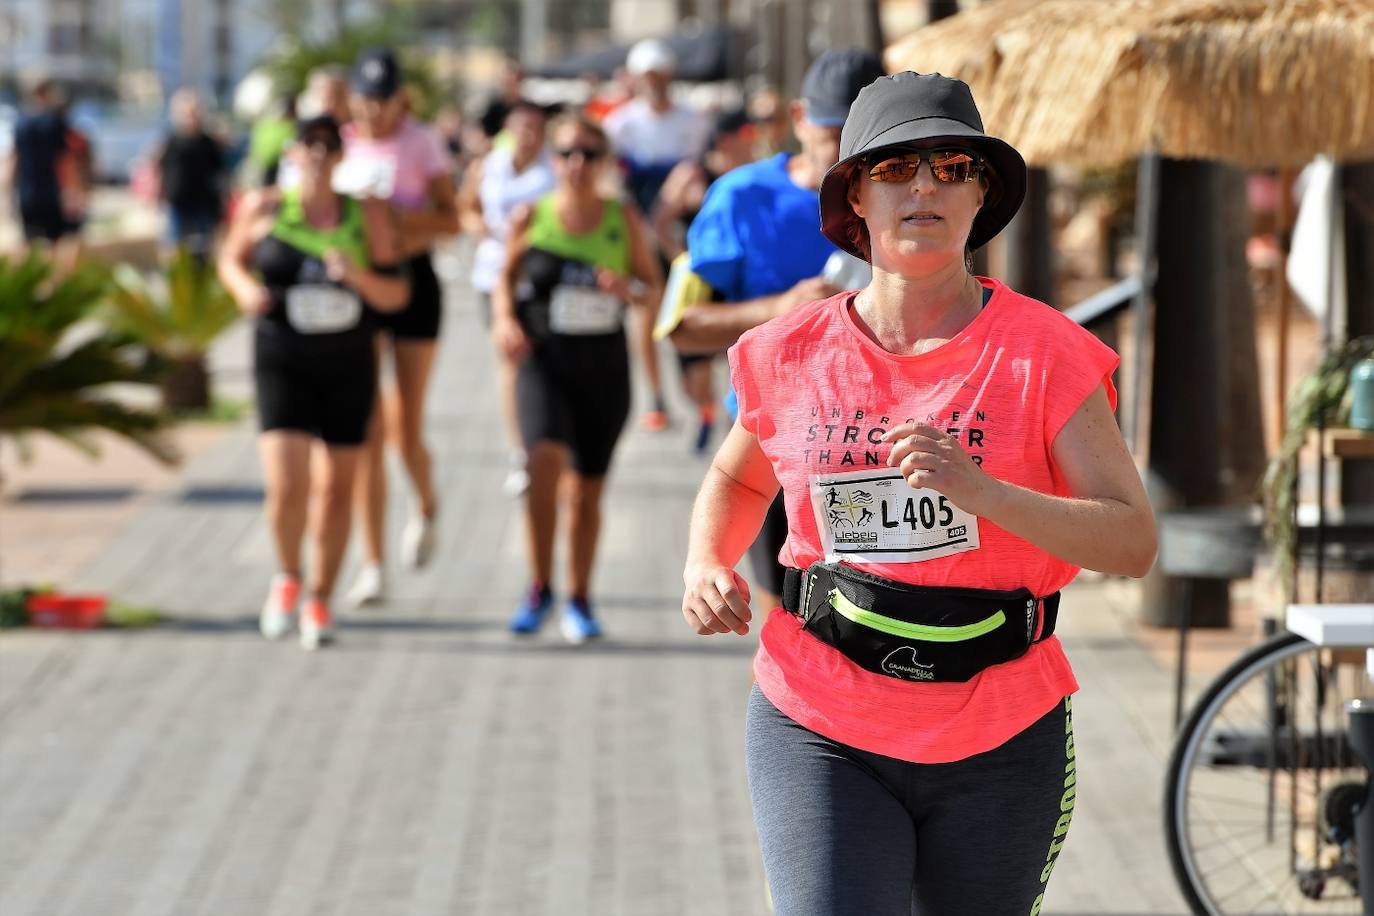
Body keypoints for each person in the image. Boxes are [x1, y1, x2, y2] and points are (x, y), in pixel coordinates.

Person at [680, 72, 1157, 915]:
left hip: (1004, 732)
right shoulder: (790, 352)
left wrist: (982, 492)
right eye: (896, 168)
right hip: (819, 721)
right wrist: (703, 564)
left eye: (951, 166)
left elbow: (1132, 542)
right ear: (857, 193)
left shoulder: (1046, 354)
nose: (925, 186)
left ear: (982, 193)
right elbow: (736, 475)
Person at [661, 48, 885, 614]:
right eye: (833, 130)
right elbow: (682, 327)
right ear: (798, 117)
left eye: (862, 135)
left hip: (882, 445)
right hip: (773, 447)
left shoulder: (907, 202)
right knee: (787, 619)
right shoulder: (741, 197)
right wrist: (783, 308)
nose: (843, 151)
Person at [217, 114, 410, 650]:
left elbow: (396, 296)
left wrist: (358, 276)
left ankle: (320, 597)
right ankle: (287, 577)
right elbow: (230, 261)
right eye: (309, 145)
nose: (319, 154)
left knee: (336, 492)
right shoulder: (266, 207)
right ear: (294, 153)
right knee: (286, 487)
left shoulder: (364, 214)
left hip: (347, 363)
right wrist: (244, 292)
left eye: (329, 144)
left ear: (341, 155)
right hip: (283, 359)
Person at [491, 114, 664, 643]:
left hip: (603, 369)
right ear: (553, 159)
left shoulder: (622, 218)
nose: (576, 164)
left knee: (587, 494)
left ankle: (580, 597)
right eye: (566, 153)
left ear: (604, 162)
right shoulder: (532, 216)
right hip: (545, 363)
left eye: (589, 154)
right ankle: (539, 586)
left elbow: (652, 287)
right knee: (542, 464)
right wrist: (503, 319)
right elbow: (505, 277)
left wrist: (626, 291)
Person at [337, 48, 460, 606]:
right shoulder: (337, 143)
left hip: (414, 284)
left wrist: (394, 223)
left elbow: (452, 220)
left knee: (405, 424)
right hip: (359, 288)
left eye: (385, 100)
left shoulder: (420, 142)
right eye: (367, 99)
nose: (376, 111)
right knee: (367, 430)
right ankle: (372, 564)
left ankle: (427, 503)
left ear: (400, 99)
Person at [604, 38, 707, 433]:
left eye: (659, 75)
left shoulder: (692, 121)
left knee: (685, 302)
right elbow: (613, 181)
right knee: (644, 308)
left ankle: (694, 387)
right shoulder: (620, 123)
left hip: (678, 229)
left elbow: (698, 178)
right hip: (638, 226)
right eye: (647, 75)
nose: (654, 83)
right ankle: (656, 394)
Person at [458, 99, 556, 496]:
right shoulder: (488, 165)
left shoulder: (556, 169)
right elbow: (465, 207)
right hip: (494, 275)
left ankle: (550, 441)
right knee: (511, 359)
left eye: (536, 127)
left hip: (540, 277)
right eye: (521, 126)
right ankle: (522, 452)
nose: (528, 135)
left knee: (542, 360)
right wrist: (480, 228)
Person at [650, 107, 755, 453]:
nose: (753, 145)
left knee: (735, 356)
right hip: (698, 279)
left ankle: (731, 425)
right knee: (692, 367)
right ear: (727, 140)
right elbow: (661, 219)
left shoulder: (749, 177)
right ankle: (705, 412)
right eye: (748, 138)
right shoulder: (691, 174)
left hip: (733, 279)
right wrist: (679, 258)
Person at [6, 77, 83, 269]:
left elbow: (14, 159)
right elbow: (65, 160)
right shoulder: (55, 121)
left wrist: (7, 192)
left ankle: (29, 286)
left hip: (27, 192)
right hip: (52, 192)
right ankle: (52, 289)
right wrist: (74, 191)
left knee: (28, 243)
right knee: (56, 243)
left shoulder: (21, 122)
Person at [158, 89, 228, 255]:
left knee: (204, 247)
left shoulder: (208, 142)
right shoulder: (172, 141)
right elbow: (162, 168)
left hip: (203, 202)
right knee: (174, 245)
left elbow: (219, 172)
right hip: (178, 201)